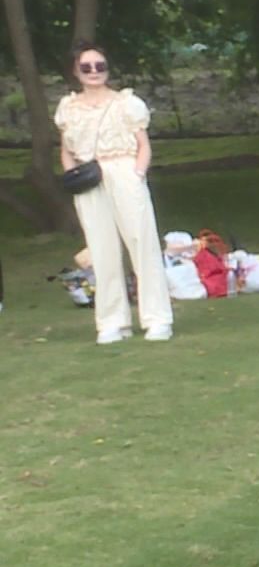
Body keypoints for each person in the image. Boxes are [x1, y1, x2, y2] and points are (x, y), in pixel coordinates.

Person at [55, 42, 170, 344]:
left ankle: (157, 318)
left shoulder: (126, 103)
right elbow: (66, 149)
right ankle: (112, 322)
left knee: (142, 243)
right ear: (76, 71)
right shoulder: (69, 108)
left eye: (100, 66)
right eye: (86, 67)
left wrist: (136, 174)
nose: (94, 72)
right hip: (89, 177)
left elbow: (143, 144)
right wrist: (73, 175)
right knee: (101, 249)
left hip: (124, 169)